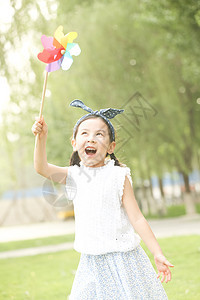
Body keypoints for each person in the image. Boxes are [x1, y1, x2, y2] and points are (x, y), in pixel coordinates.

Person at [32, 99, 174, 300]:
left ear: (110, 147)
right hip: (91, 263)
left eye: (99, 134)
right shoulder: (74, 176)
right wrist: (41, 138)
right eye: (84, 133)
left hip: (124, 259)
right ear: (74, 144)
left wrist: (157, 253)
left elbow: (137, 218)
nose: (91, 138)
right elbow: (41, 167)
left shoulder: (118, 176)